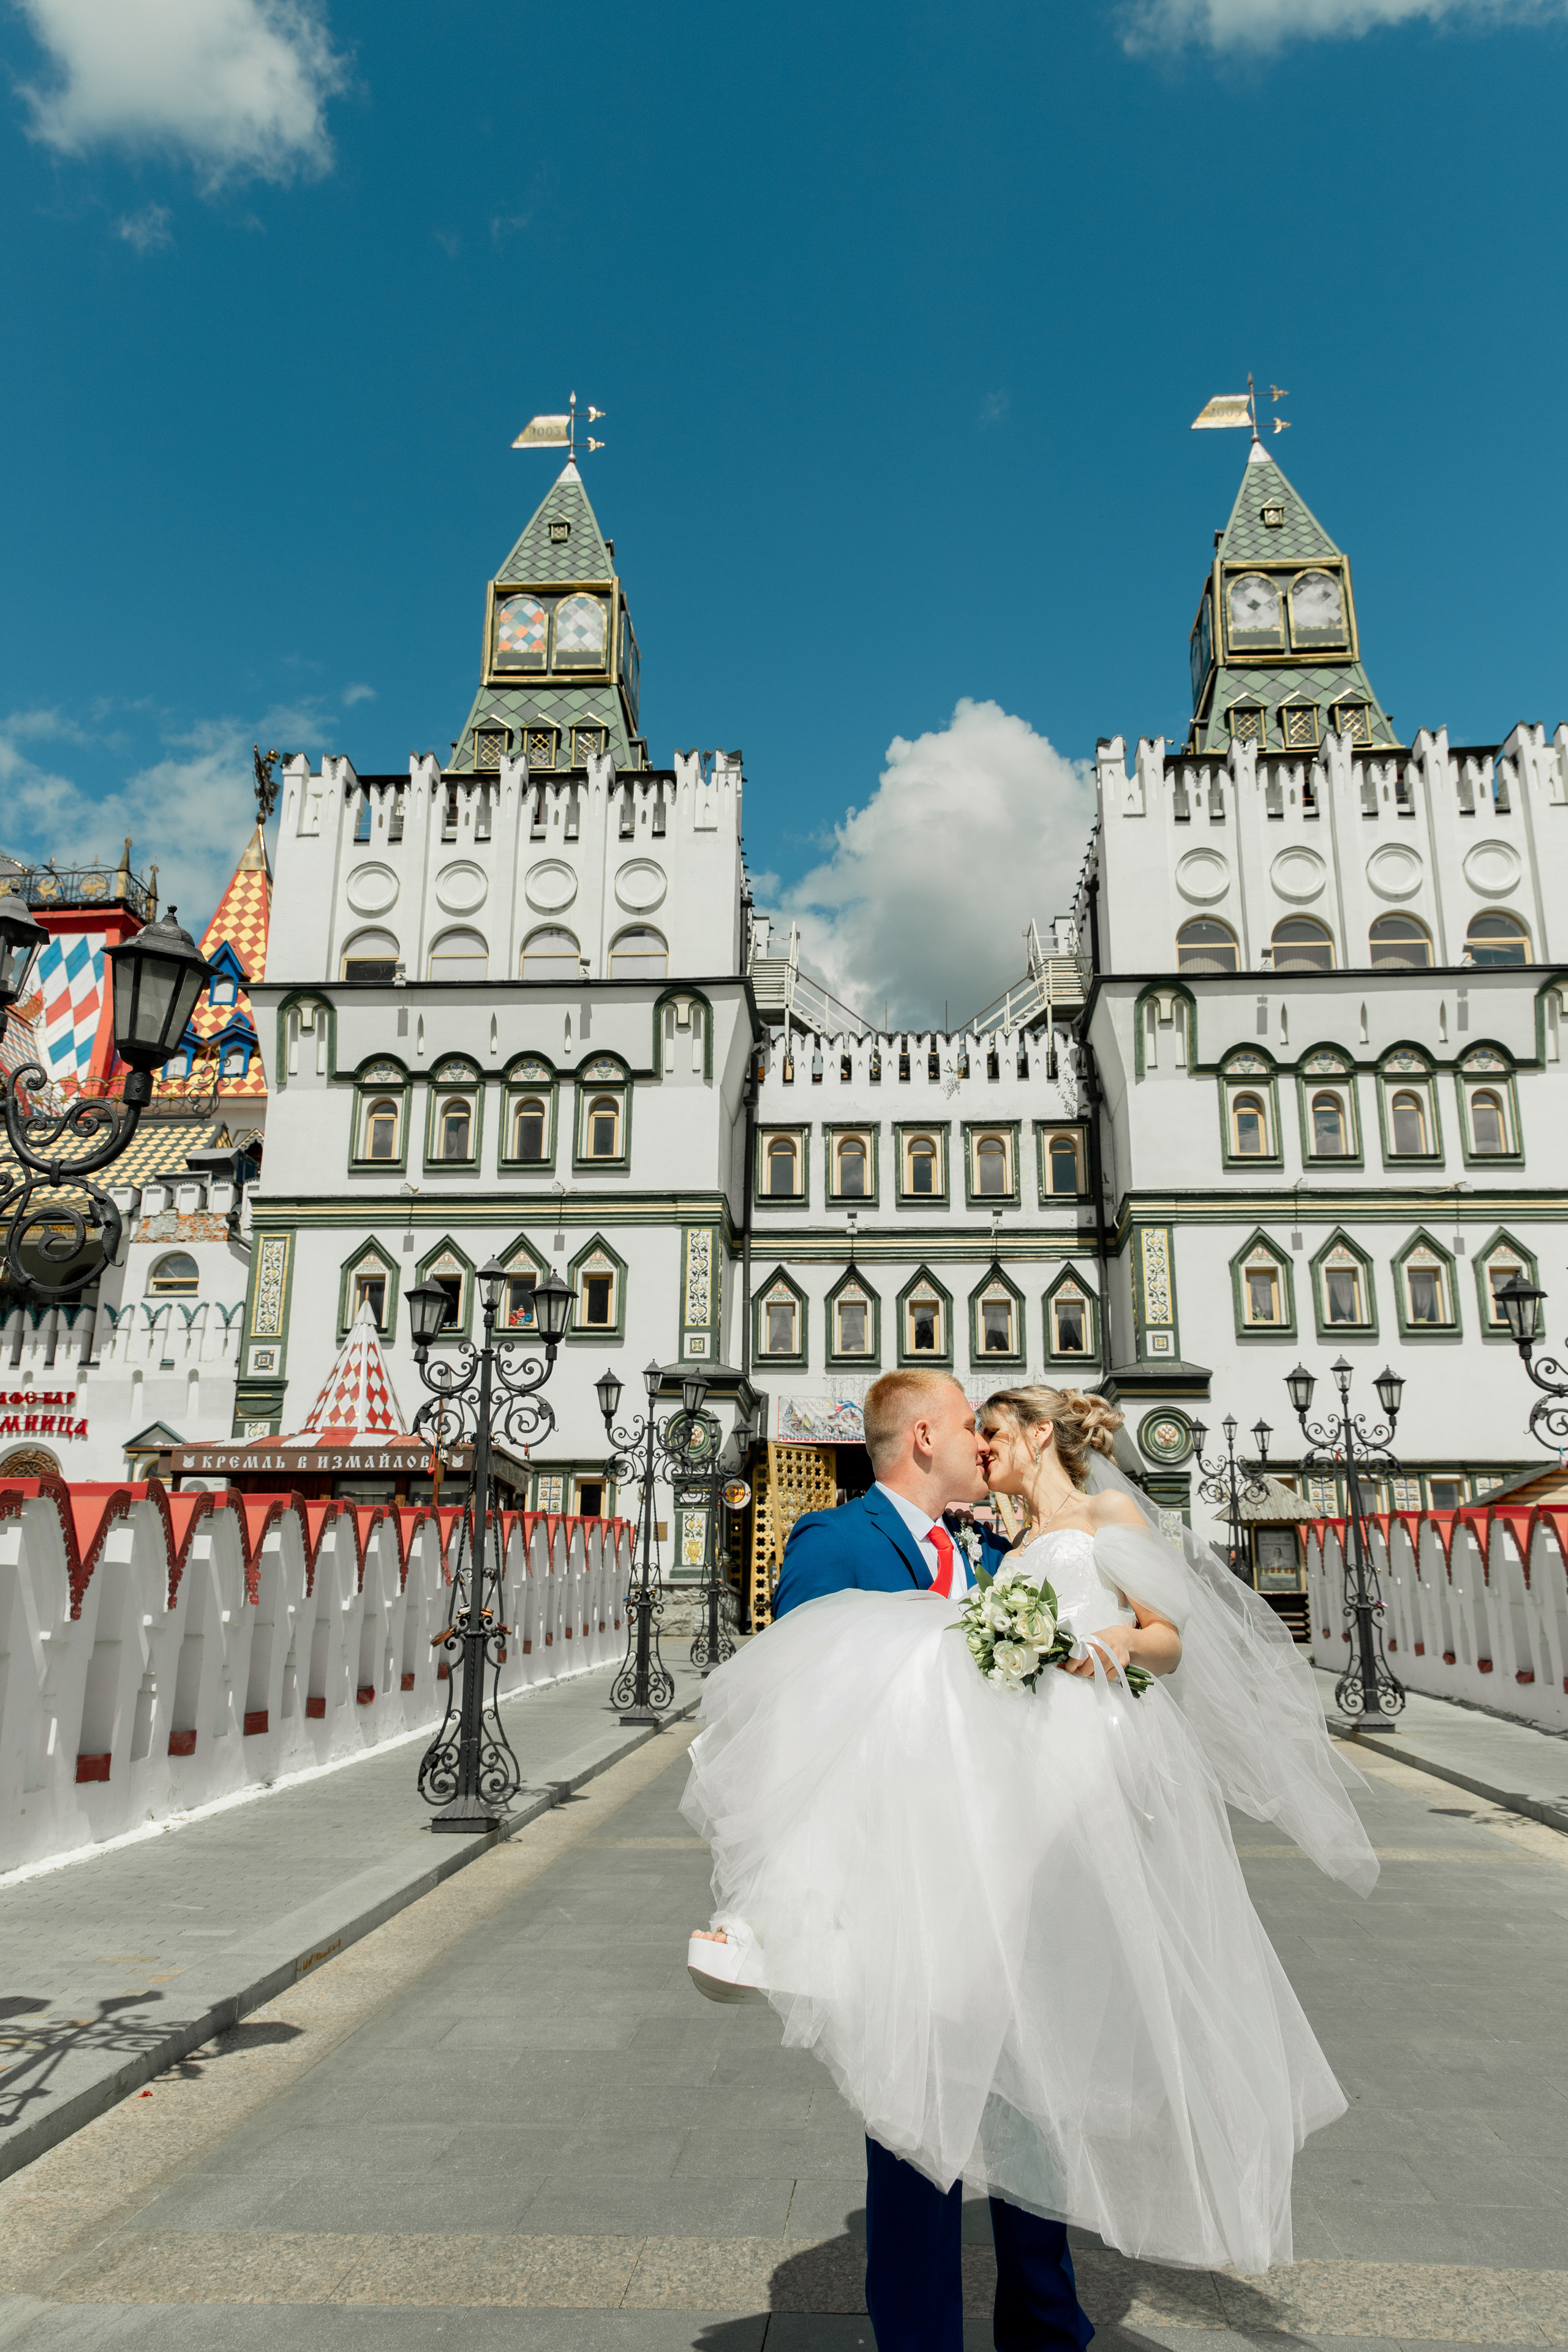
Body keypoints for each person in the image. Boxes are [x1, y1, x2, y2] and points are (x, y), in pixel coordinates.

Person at [682, 1381, 1378, 2349]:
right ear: (927, 1435)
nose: (982, 1442)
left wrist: (1107, 1648)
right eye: (972, 1424)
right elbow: (799, 1715)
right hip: (914, 1876)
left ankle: (1046, 2323)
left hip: (1033, 1846)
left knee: (1032, 2085)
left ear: (1038, 1436)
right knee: (916, 2107)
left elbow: (1148, 1640)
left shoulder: (993, 1549)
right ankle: (923, 2336)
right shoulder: (837, 1541)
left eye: (995, 1425)